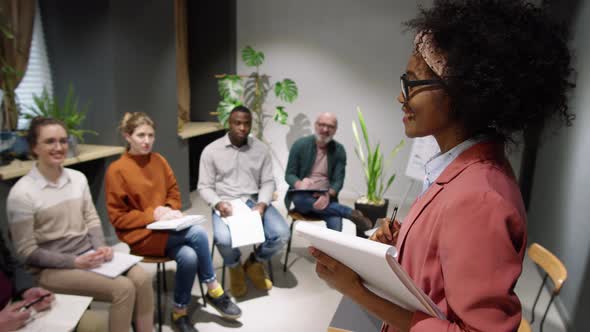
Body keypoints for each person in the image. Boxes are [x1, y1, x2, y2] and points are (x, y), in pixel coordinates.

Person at [310, 1, 574, 331]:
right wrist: (405, 242)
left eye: (412, 81)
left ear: (459, 92)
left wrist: (355, 290)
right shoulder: (460, 171)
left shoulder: (480, 199)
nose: (401, 97)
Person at [6, 117, 154, 332]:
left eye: (63, 141)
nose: (59, 147)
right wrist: (74, 261)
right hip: (52, 269)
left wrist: (101, 246)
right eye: (50, 142)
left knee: (141, 278)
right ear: (33, 147)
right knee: (123, 288)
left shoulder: (78, 179)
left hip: (88, 255)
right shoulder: (22, 193)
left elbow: (91, 220)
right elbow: (26, 252)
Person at [105, 112, 241, 332]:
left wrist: (168, 210)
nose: (147, 140)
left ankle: (179, 312)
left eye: (151, 135)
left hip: (168, 230)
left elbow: (174, 194)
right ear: (127, 136)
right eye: (141, 135)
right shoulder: (116, 170)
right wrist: (154, 215)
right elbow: (118, 218)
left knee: (188, 256)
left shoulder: (159, 161)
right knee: (197, 233)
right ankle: (214, 288)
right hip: (140, 236)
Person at [198, 105, 290, 298]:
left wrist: (263, 203)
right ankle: (234, 266)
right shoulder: (211, 151)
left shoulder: (261, 149)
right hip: (225, 202)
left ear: (251, 125)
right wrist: (217, 203)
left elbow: (267, 181)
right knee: (223, 239)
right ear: (229, 124)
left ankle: (254, 262)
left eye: (246, 124)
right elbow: (204, 186)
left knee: (282, 234)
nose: (242, 128)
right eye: (237, 123)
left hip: (254, 200)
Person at [285, 112, 373, 234]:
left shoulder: (339, 150)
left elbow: (338, 180)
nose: (325, 129)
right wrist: (299, 184)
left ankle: (331, 251)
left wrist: (328, 195)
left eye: (330, 126)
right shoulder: (300, 144)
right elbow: (289, 174)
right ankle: (349, 213)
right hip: (303, 195)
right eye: (322, 125)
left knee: (336, 227)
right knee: (301, 201)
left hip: (326, 195)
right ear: (315, 125)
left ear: (335, 130)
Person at [0, 232, 106, 332]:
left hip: (14, 304)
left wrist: (26, 290)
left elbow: (10, 263)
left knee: (95, 323)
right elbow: (28, 251)